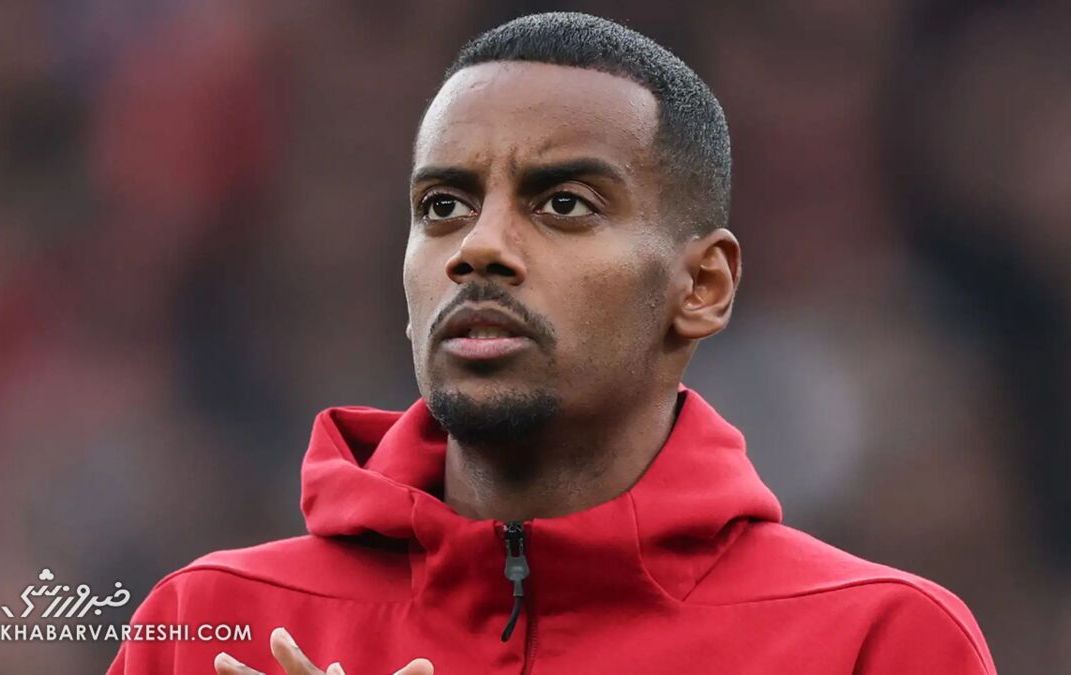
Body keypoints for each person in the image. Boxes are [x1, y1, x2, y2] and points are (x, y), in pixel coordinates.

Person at [108, 12, 996, 675]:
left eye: (563, 203)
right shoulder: (208, 627)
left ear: (702, 287)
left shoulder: (878, 640)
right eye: (442, 206)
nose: (478, 248)